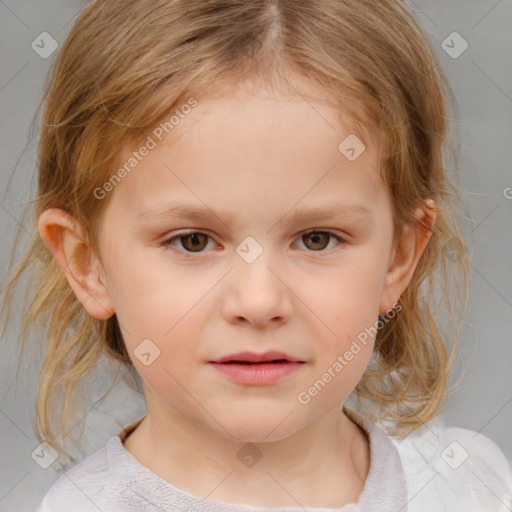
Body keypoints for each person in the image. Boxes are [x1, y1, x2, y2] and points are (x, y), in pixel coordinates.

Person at [1, 0, 511, 510]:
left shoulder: (471, 485)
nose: (260, 300)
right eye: (192, 241)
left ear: (400, 257)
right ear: (88, 264)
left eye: (317, 239)